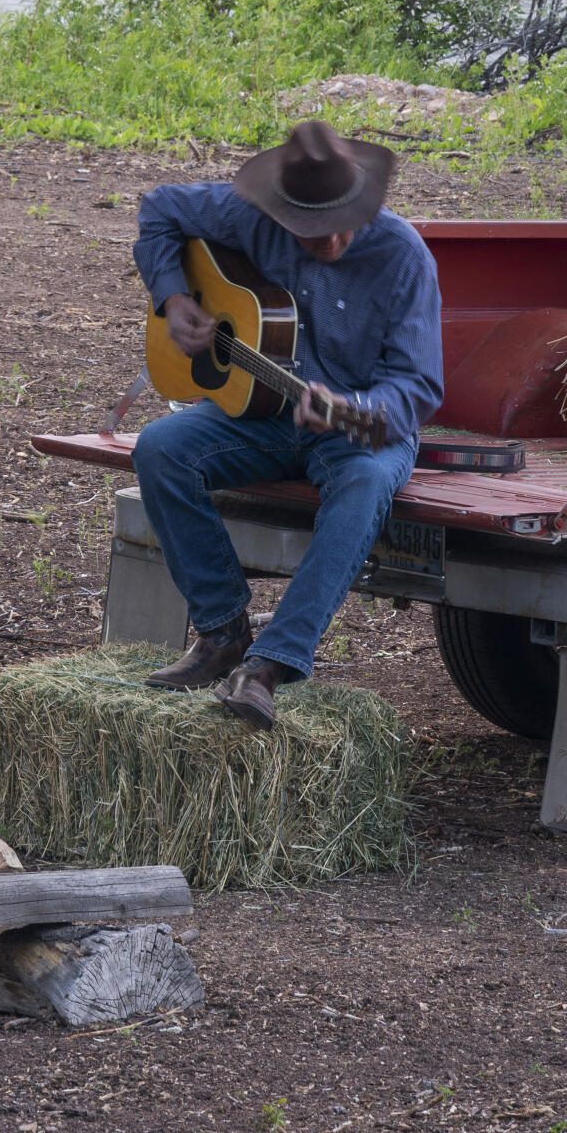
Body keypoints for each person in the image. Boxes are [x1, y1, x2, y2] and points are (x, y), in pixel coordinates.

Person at [128, 119, 442, 730]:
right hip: (263, 416)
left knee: (366, 487)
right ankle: (221, 633)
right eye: (305, 229)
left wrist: (356, 410)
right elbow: (159, 208)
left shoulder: (403, 256)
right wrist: (173, 298)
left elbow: (418, 387)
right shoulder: (248, 215)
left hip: (356, 431)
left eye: (334, 225)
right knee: (161, 447)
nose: (323, 240)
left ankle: (270, 664)